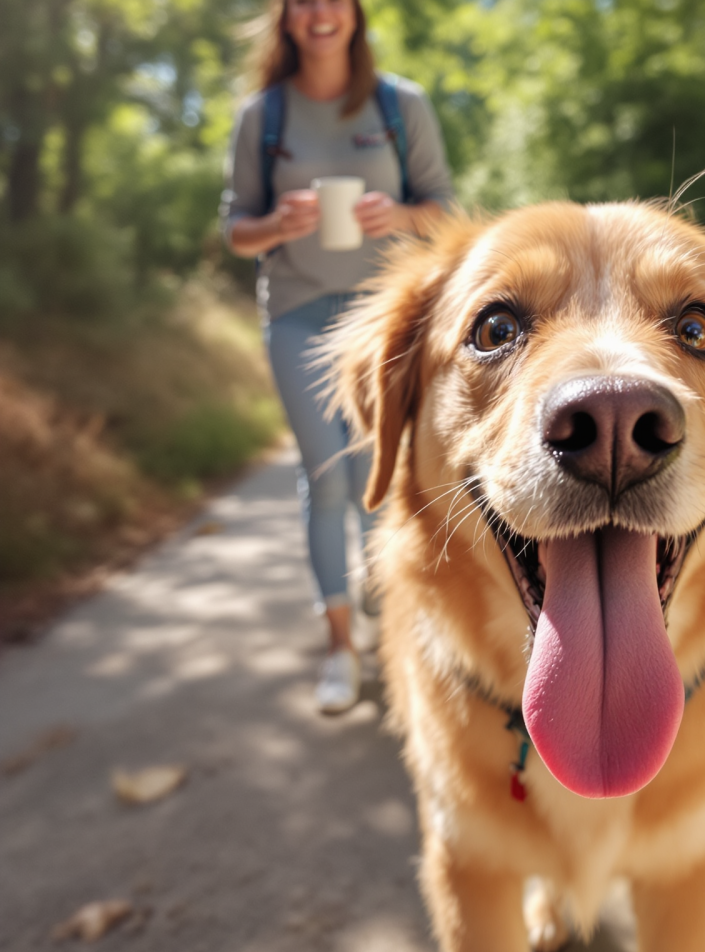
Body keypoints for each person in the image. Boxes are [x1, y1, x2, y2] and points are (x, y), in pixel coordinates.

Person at [220, 0, 454, 713]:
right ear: (286, 18)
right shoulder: (263, 116)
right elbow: (236, 231)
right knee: (325, 480)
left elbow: (445, 209)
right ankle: (340, 648)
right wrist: (274, 225)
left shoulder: (398, 104)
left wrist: (402, 216)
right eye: (301, 1)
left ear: (353, 13)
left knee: (376, 479)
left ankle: (396, 625)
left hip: (381, 317)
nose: (319, 11)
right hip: (295, 315)